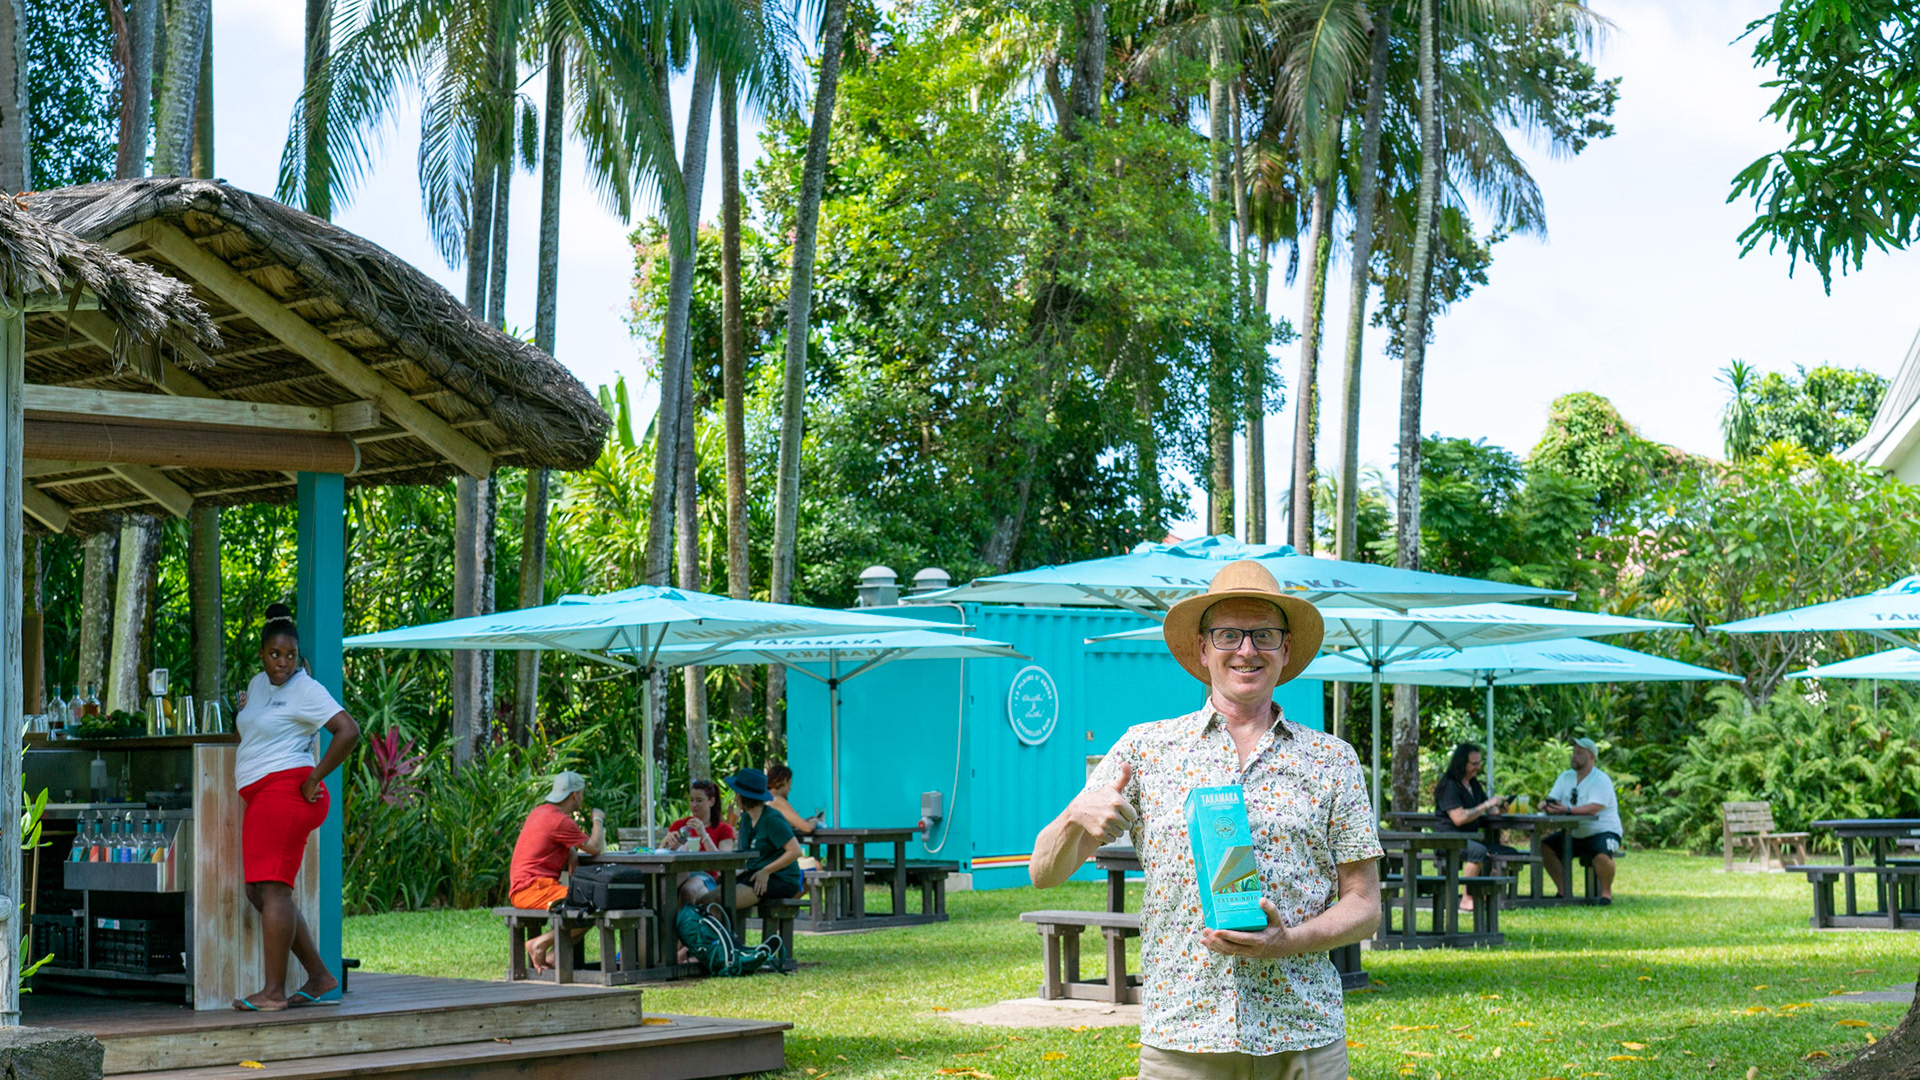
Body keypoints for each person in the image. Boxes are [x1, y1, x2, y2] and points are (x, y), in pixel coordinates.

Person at [1029, 560, 1382, 1080]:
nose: (1246, 649)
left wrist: (1287, 942)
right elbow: (1043, 872)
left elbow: (1366, 904)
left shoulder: (1332, 759)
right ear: (1202, 649)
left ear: (1285, 650)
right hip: (1184, 1038)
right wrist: (1073, 815)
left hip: (1304, 1037)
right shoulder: (1145, 749)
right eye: (1227, 634)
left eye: (1263, 634)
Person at [232, 603, 360, 1011]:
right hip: (264, 796)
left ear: (298, 656)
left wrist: (314, 777)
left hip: (288, 794)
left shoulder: (307, 688)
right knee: (260, 890)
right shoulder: (257, 684)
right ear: (262, 655)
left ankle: (273, 993)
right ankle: (321, 976)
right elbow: (259, 725)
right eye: (274, 655)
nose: (282, 663)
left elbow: (348, 731)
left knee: (273, 889)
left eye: (290, 655)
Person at [508, 771, 606, 972]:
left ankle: (552, 960)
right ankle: (539, 944)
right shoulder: (561, 821)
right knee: (593, 905)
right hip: (532, 889)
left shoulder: (539, 812)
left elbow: (550, 839)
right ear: (574, 795)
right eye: (581, 794)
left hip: (527, 888)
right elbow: (595, 847)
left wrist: (570, 850)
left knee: (585, 908)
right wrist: (598, 819)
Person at [1433, 743, 1518, 912]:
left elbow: (1487, 809)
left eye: (1479, 763)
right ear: (1462, 763)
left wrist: (1499, 808)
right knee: (1478, 851)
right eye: (1474, 764)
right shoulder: (1449, 785)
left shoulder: (1473, 784)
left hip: (1471, 838)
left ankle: (1492, 897)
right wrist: (1487, 804)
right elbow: (1458, 818)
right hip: (1448, 839)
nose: (1478, 767)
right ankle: (1466, 898)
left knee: (1507, 852)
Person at [1540, 737, 1623, 905]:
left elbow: (1594, 808)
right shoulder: (1565, 777)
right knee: (1545, 847)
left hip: (1602, 831)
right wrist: (1546, 805)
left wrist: (1567, 810)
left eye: (1579, 753)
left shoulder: (1601, 780)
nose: (1574, 757)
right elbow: (1553, 799)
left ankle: (1606, 893)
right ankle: (1564, 890)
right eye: (1573, 753)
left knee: (1601, 854)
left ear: (1591, 757)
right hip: (1574, 833)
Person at [711, 768, 804, 910]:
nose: (735, 798)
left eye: (737, 794)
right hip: (755, 874)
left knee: (722, 902)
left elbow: (795, 851)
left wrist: (766, 871)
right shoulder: (746, 818)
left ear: (745, 796)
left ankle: (726, 932)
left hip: (780, 878)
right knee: (705, 899)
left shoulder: (772, 819)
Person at [666, 779, 735, 904]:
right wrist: (669, 845)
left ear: (711, 801)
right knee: (660, 888)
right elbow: (661, 852)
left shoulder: (723, 829)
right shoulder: (680, 825)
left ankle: (687, 923)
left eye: (699, 800)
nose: (694, 805)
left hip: (705, 877)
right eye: (691, 800)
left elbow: (723, 865)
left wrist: (704, 835)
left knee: (688, 890)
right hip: (678, 873)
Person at [766, 765, 821, 836]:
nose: (790, 789)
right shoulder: (777, 800)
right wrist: (815, 821)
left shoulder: (765, 800)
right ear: (784, 781)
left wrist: (801, 822)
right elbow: (808, 828)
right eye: (789, 784)